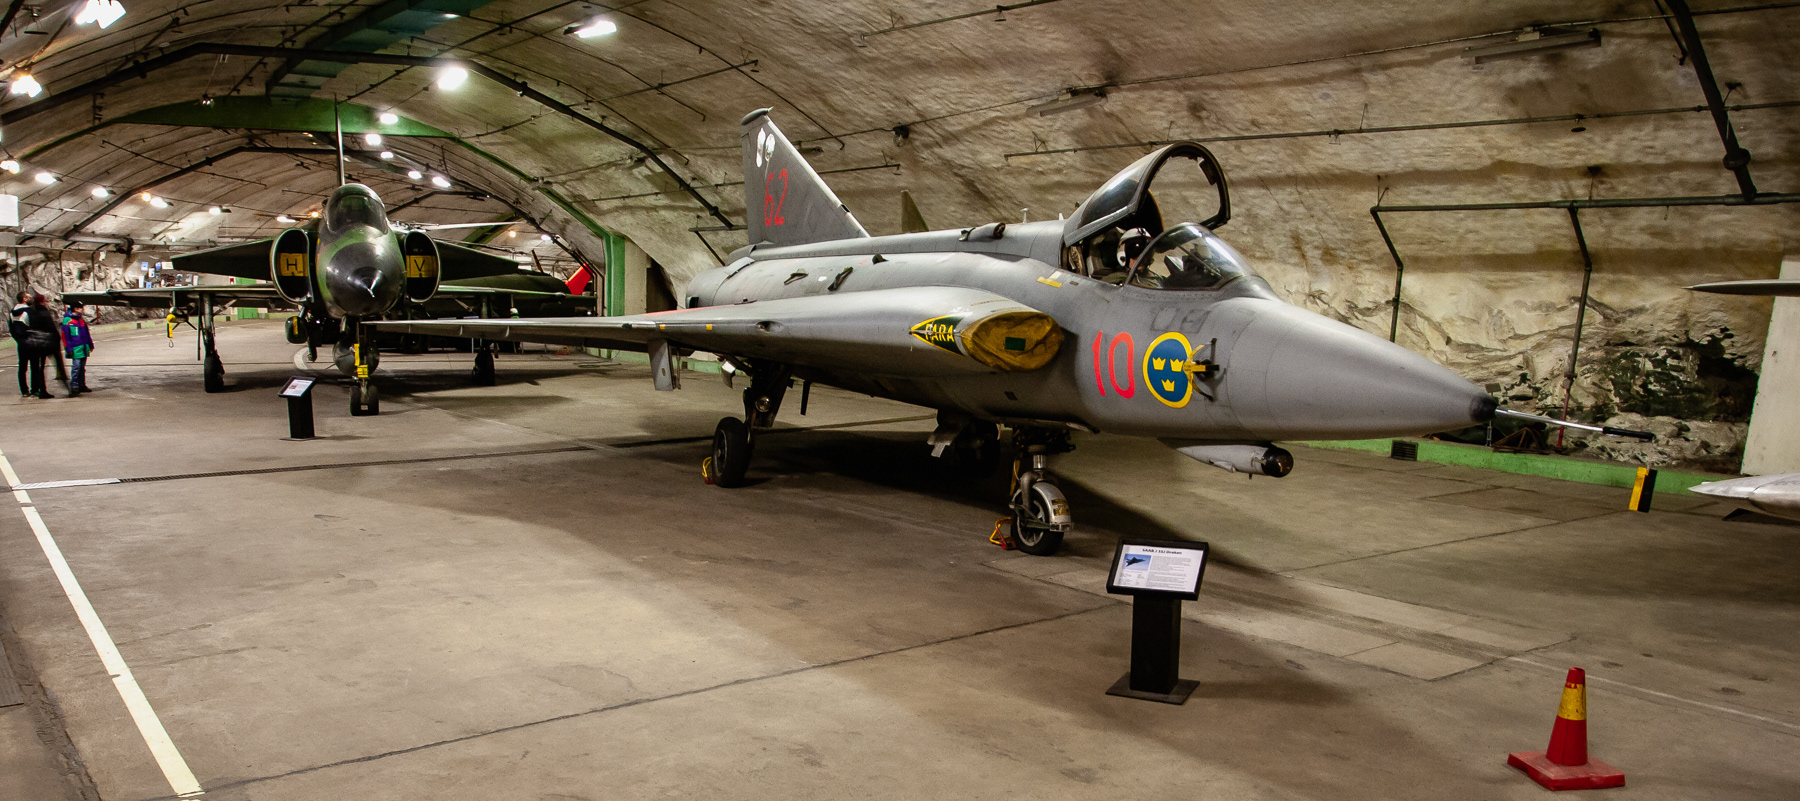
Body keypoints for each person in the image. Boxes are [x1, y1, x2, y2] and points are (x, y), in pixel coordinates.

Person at [19, 293, 57, 399]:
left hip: (29, 342)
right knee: (37, 367)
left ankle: (31, 389)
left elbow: (20, 326)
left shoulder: (25, 312)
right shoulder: (40, 312)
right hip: (40, 342)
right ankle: (39, 389)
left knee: (28, 367)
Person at [60, 299, 94, 396]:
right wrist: (68, 348)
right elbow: (65, 336)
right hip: (75, 347)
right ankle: (74, 386)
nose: (82, 310)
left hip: (83, 347)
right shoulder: (68, 321)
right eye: (81, 308)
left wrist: (90, 344)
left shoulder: (81, 320)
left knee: (82, 368)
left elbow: (86, 334)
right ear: (76, 309)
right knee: (76, 367)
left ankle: (81, 384)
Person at [10, 290, 29, 398]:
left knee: (22, 366)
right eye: (28, 297)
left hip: (20, 341)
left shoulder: (12, 311)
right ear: (24, 299)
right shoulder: (28, 311)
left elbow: (11, 328)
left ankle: (24, 389)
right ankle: (35, 388)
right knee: (35, 365)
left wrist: (17, 339)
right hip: (30, 339)